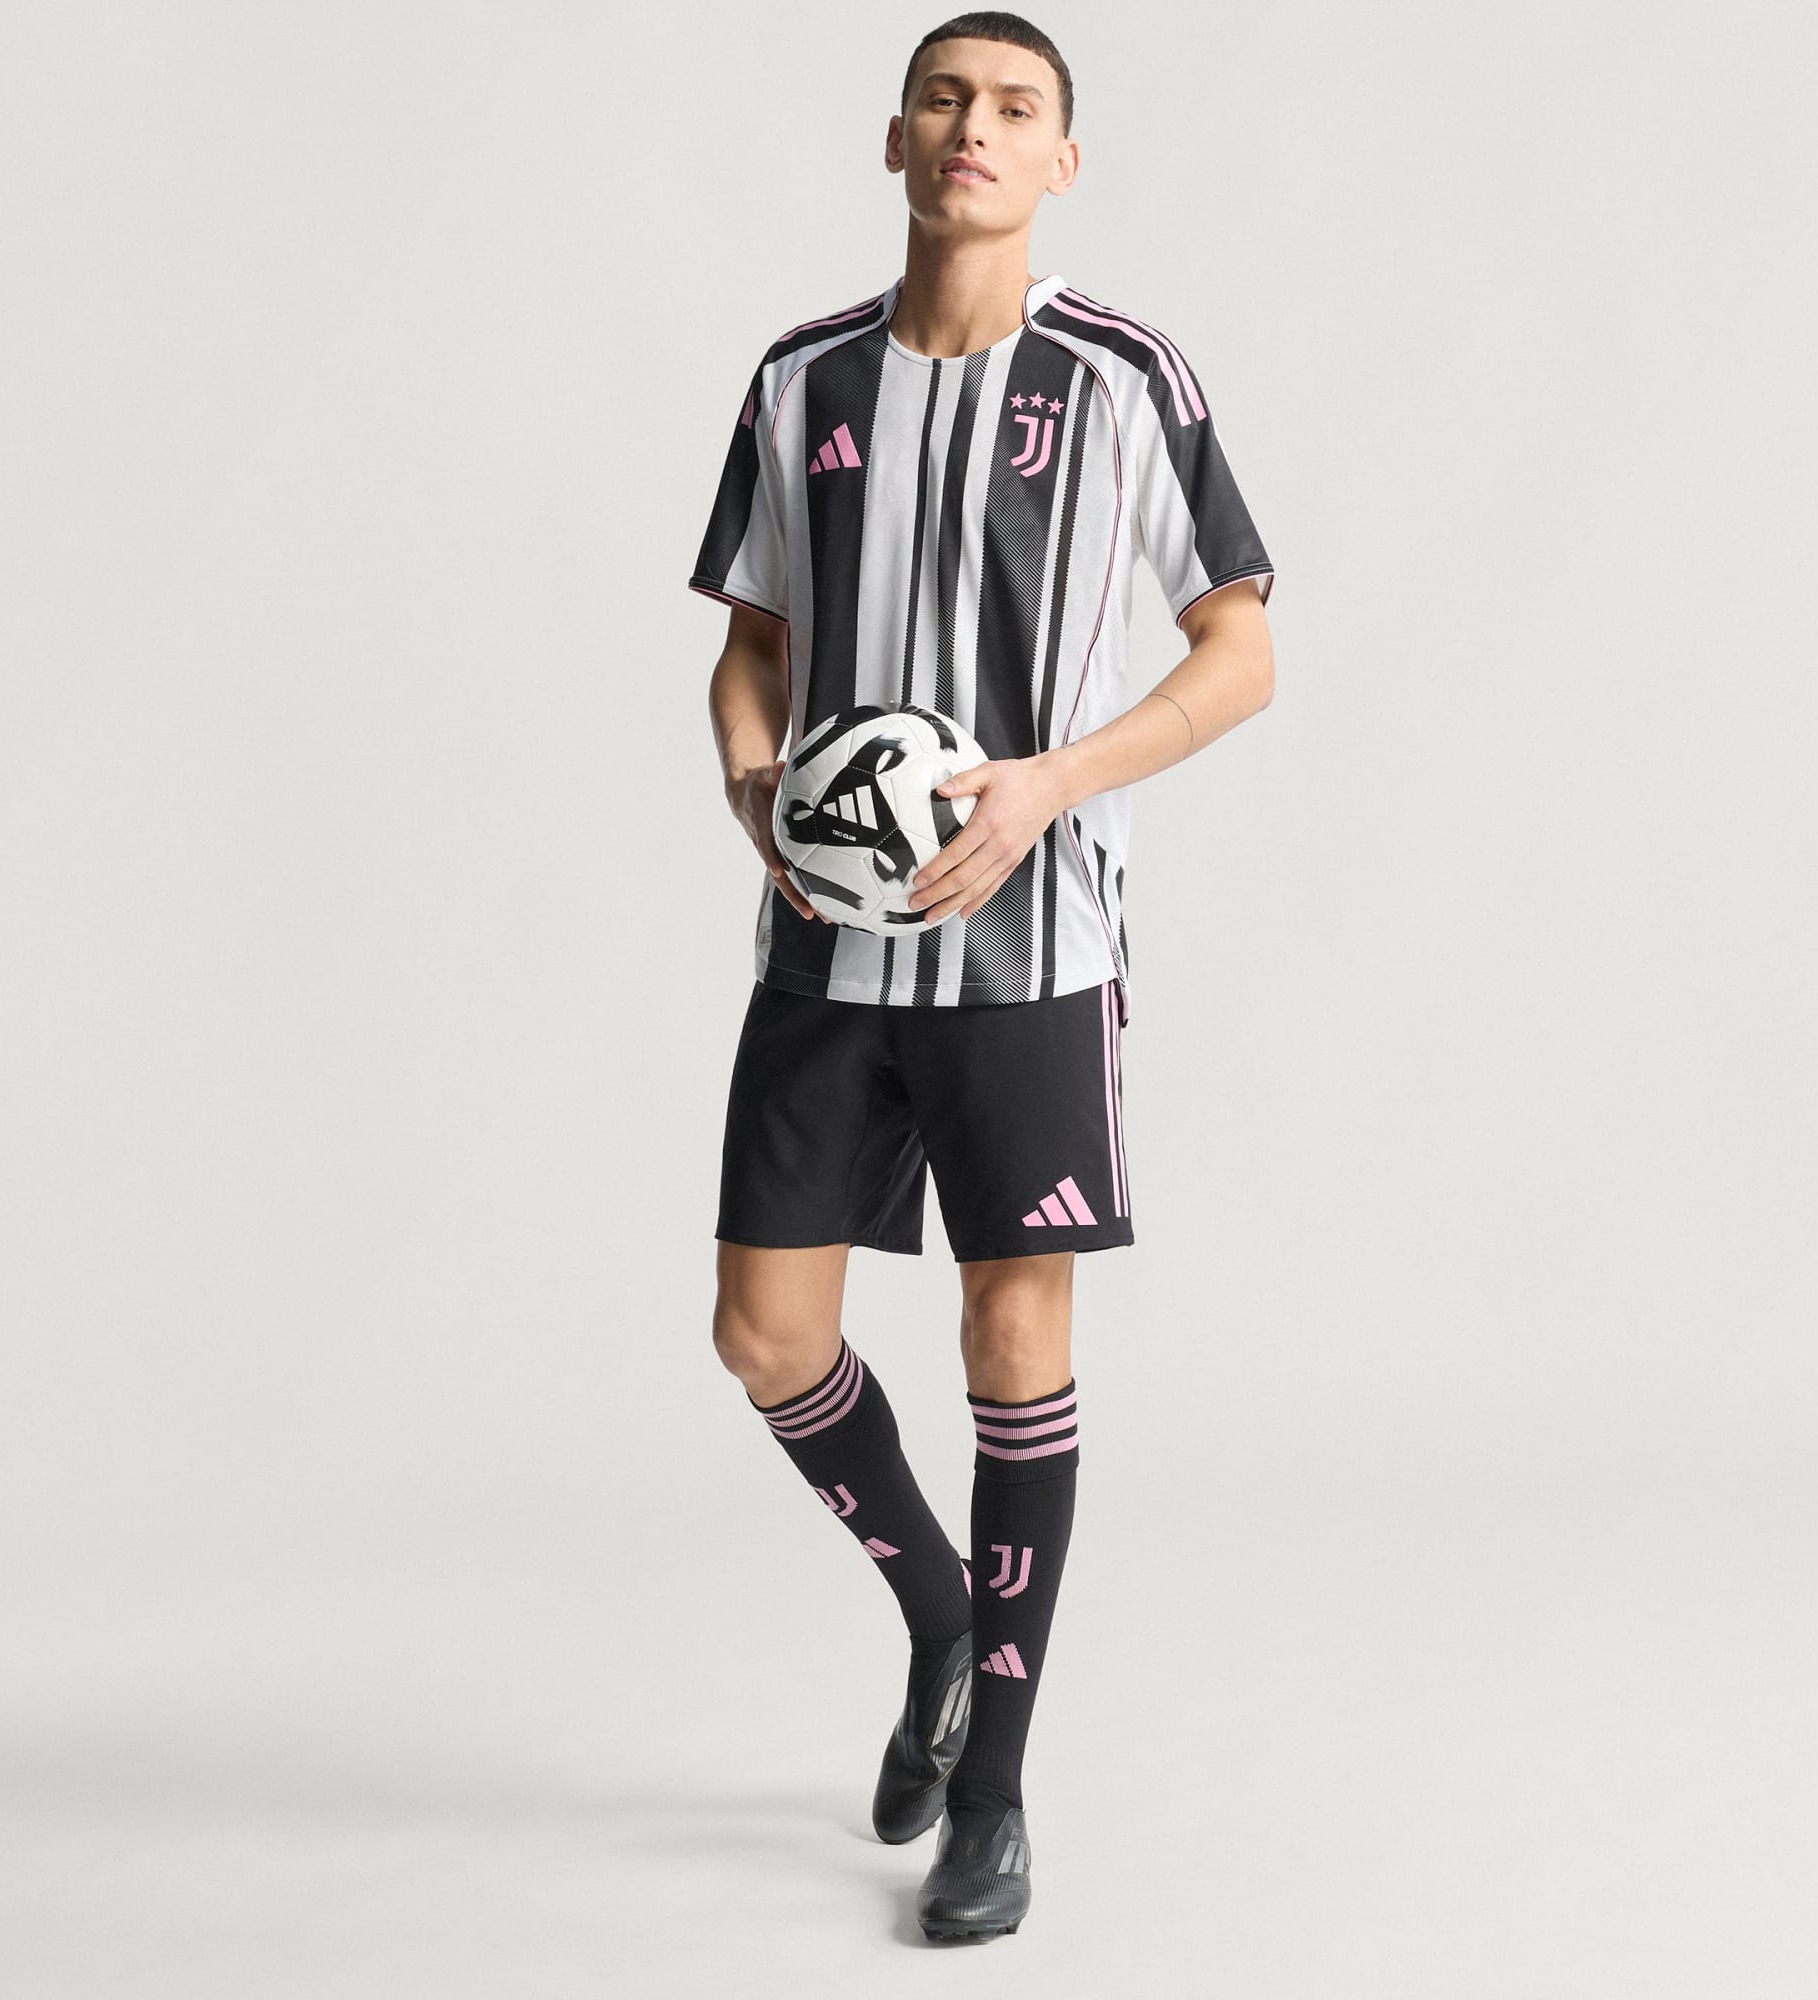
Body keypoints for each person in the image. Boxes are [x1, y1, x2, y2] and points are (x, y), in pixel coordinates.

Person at [689, 10, 1275, 1943]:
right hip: (827, 944)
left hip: (1035, 949)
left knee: (1012, 1343)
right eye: (946, 99)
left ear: (1060, 163)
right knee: (763, 1332)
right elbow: (750, 647)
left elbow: (1242, 651)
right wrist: (758, 786)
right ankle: (944, 1614)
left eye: (1017, 108)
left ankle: (996, 1795)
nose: (976, 129)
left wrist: (1046, 786)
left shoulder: (1120, 379)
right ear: (896, 139)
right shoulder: (802, 380)